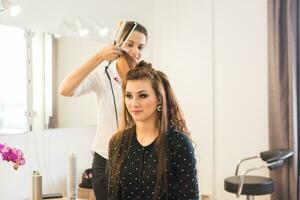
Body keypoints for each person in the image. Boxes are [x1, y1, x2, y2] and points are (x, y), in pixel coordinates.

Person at [59, 21, 148, 200]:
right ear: (117, 43)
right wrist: (99, 57)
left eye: (140, 46)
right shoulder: (102, 75)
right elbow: (65, 90)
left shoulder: (146, 78)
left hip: (139, 160)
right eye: (130, 44)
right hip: (105, 160)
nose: (135, 51)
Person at [107, 62, 199, 200]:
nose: (134, 103)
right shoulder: (117, 142)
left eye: (142, 96)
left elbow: (189, 196)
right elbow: (113, 195)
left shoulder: (179, 143)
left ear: (159, 99)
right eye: (129, 96)